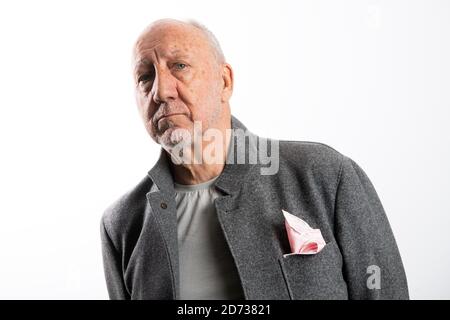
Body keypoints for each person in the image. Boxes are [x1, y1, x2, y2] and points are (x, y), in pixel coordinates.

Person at [100, 18, 409, 300]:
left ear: (225, 81)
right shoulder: (122, 225)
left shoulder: (325, 174)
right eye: (145, 76)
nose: (161, 90)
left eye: (179, 66)